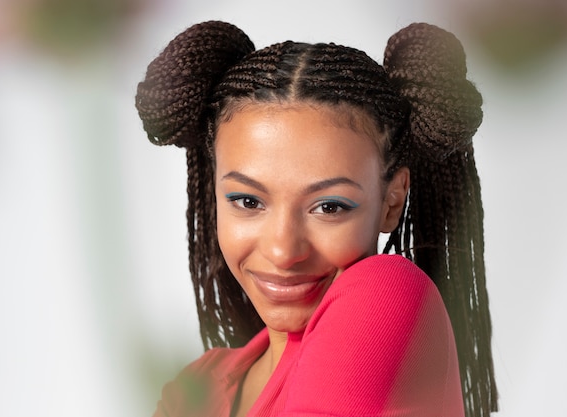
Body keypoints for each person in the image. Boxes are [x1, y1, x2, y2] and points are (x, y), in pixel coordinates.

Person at [135, 20, 498, 417]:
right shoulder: (199, 385)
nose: (282, 250)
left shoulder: (386, 293)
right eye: (247, 201)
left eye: (329, 207)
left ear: (392, 203)